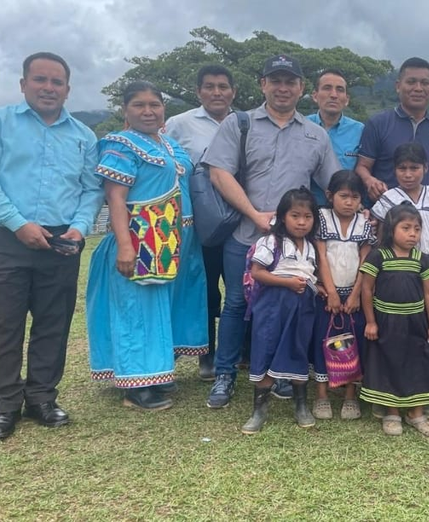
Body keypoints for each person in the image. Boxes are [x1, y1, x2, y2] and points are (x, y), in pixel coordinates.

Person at [0, 52, 101, 440]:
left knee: (53, 323)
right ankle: (5, 404)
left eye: (57, 82)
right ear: (23, 84)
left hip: (61, 240)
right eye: (40, 80)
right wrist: (18, 223)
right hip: (3, 238)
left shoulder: (82, 135)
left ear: (68, 89)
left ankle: (42, 397)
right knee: (1, 323)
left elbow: (91, 188)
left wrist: (78, 228)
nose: (49, 88)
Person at [200, 54, 340, 409]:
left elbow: (333, 184)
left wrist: (361, 204)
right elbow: (219, 172)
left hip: (292, 245)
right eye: (275, 80)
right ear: (262, 84)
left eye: (289, 81)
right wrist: (254, 214)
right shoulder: (239, 123)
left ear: (301, 88)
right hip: (245, 234)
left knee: (287, 307)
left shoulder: (315, 135)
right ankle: (224, 375)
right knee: (235, 303)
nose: (282, 87)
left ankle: (280, 374)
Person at [87, 81, 197, 411]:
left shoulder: (165, 143)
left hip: (165, 241)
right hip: (139, 239)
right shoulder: (121, 146)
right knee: (136, 310)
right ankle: (136, 385)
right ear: (125, 110)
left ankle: (154, 373)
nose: (148, 111)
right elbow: (116, 198)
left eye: (155, 104)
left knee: (156, 308)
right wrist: (125, 245)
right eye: (139, 105)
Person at [165, 64, 237, 381]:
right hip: (201, 223)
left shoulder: (245, 122)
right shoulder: (179, 124)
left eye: (223, 86)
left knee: (241, 289)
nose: (217, 92)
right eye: (209, 86)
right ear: (198, 91)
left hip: (239, 218)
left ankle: (239, 351)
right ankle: (206, 355)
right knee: (206, 290)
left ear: (233, 91)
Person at [241, 188, 321, 434]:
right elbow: (257, 273)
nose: (301, 222)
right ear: (283, 216)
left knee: (297, 350)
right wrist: (287, 282)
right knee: (266, 350)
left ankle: (301, 406)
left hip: (302, 308)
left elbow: (310, 276)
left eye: (307, 217)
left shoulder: (310, 246)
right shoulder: (270, 242)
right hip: (272, 308)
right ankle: (259, 410)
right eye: (295, 215)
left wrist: (319, 287)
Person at [360, 203, 429, 437]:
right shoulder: (378, 256)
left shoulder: (421, 259)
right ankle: (392, 412)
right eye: (406, 228)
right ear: (391, 229)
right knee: (389, 363)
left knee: (418, 364)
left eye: (417, 228)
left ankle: (416, 413)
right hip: (386, 322)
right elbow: (367, 290)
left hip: (416, 322)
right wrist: (371, 322)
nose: (412, 233)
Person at [310, 170, 374, 420]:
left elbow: (365, 260)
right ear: (330, 195)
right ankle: (322, 394)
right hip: (327, 292)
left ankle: (350, 395)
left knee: (352, 341)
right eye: (343, 196)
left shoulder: (363, 224)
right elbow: (322, 257)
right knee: (324, 339)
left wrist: (356, 294)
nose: (349, 202)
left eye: (355, 197)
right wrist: (332, 293)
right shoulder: (321, 219)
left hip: (353, 294)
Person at [356, 57, 429, 203]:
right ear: (398, 86)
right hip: (386, 214)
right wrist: (370, 181)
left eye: (424, 83)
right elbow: (362, 166)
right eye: (411, 82)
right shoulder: (378, 123)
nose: (418, 88)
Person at [371, 142, 429, 282]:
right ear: (394, 169)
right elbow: (381, 238)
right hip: (398, 262)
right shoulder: (389, 198)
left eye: (414, 168)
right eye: (402, 168)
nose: (408, 174)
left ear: (425, 168)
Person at [307, 69, 364, 205]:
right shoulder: (301, 126)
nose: (333, 95)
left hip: (346, 212)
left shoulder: (361, 131)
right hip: (306, 212)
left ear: (347, 99)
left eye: (340, 90)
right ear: (315, 96)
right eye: (327, 88)